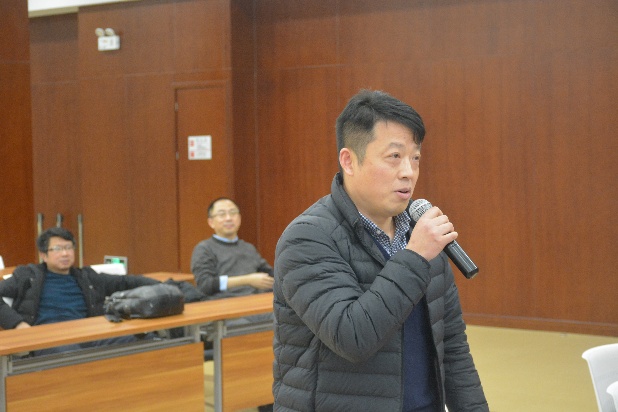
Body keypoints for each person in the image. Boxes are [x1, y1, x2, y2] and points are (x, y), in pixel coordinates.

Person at [273, 90, 488, 411]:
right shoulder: (308, 238)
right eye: (394, 156)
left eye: (415, 158)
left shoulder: (420, 234)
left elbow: (453, 347)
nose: (408, 171)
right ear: (349, 161)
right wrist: (415, 257)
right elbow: (352, 338)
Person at [0, 227, 160, 355]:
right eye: (57, 249)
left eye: (68, 247)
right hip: (49, 337)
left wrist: (163, 285)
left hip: (86, 332)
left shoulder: (87, 277)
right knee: (71, 355)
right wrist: (17, 324)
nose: (65, 253)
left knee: (146, 341)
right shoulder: (27, 276)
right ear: (44, 255)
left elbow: (125, 282)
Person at [191, 197, 274, 299]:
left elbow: (271, 275)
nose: (228, 218)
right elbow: (205, 285)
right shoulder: (204, 249)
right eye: (222, 214)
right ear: (211, 222)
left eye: (233, 213)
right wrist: (247, 280)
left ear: (239, 218)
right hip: (222, 303)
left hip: (254, 300)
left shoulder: (248, 248)